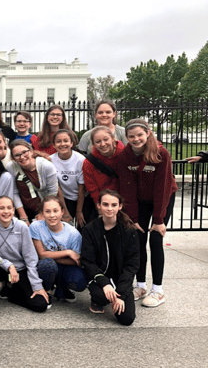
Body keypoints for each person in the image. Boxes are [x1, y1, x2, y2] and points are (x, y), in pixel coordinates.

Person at [116, 118, 177, 308]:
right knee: (138, 238)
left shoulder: (161, 153)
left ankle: (158, 290)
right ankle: (140, 285)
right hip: (139, 201)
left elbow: (163, 187)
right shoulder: (124, 157)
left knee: (156, 239)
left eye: (140, 135)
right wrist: (133, 219)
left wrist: (159, 220)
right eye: (131, 136)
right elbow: (127, 189)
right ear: (126, 137)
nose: (136, 139)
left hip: (162, 198)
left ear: (148, 133)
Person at [81, 189, 139, 325]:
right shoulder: (90, 229)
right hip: (100, 277)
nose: (109, 208)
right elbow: (88, 261)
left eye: (114, 205)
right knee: (101, 296)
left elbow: (132, 265)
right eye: (105, 204)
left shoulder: (129, 231)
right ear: (99, 206)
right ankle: (99, 300)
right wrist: (104, 283)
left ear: (120, 206)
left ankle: (114, 297)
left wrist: (121, 294)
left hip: (120, 279)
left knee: (127, 319)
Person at [0, 196, 48, 311]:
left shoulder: (21, 227)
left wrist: (37, 286)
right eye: (1, 208)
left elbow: (30, 257)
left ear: (13, 210)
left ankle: (11, 293)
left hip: (19, 270)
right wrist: (8, 265)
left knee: (40, 305)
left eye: (9, 208)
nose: (6, 211)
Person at [30, 196, 87, 305]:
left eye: (55, 211)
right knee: (47, 264)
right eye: (47, 211)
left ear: (62, 212)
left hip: (65, 266)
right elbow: (41, 254)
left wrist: (51, 256)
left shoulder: (73, 234)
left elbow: (77, 261)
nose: (52, 215)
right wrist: (68, 252)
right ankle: (47, 289)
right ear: (42, 213)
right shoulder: (36, 227)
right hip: (46, 264)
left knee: (80, 281)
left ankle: (63, 288)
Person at [6, 140, 67, 222]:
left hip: (44, 207)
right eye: (17, 155)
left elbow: (53, 191)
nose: (22, 157)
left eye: (24, 152)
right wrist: (23, 217)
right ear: (13, 158)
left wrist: (43, 212)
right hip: (23, 208)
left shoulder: (46, 166)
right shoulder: (11, 167)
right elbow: (14, 192)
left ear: (31, 151)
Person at [82, 126, 125, 222]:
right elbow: (92, 187)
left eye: (106, 139)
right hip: (103, 202)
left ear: (113, 139)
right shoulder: (89, 162)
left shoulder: (125, 155)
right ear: (93, 144)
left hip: (124, 201)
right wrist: (101, 207)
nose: (103, 144)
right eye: (98, 142)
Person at [50, 129, 86, 227]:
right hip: (64, 198)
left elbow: (82, 188)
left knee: (83, 226)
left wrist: (79, 211)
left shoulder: (80, 160)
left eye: (66, 141)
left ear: (71, 143)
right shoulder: (50, 160)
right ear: (53, 145)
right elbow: (57, 188)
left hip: (82, 198)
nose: (62, 144)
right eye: (58, 141)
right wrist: (65, 212)